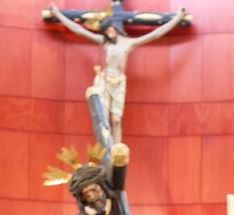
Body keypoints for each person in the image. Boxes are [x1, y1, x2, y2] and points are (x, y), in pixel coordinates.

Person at [49, 4, 191, 143]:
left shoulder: (128, 43)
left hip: (119, 83)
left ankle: (117, 152)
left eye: (110, 29)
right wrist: (57, 14)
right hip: (105, 81)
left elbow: (156, 34)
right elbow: (79, 30)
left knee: (116, 120)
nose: (109, 33)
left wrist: (177, 17)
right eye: (105, 31)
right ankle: (107, 149)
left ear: (114, 28)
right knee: (104, 119)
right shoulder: (105, 43)